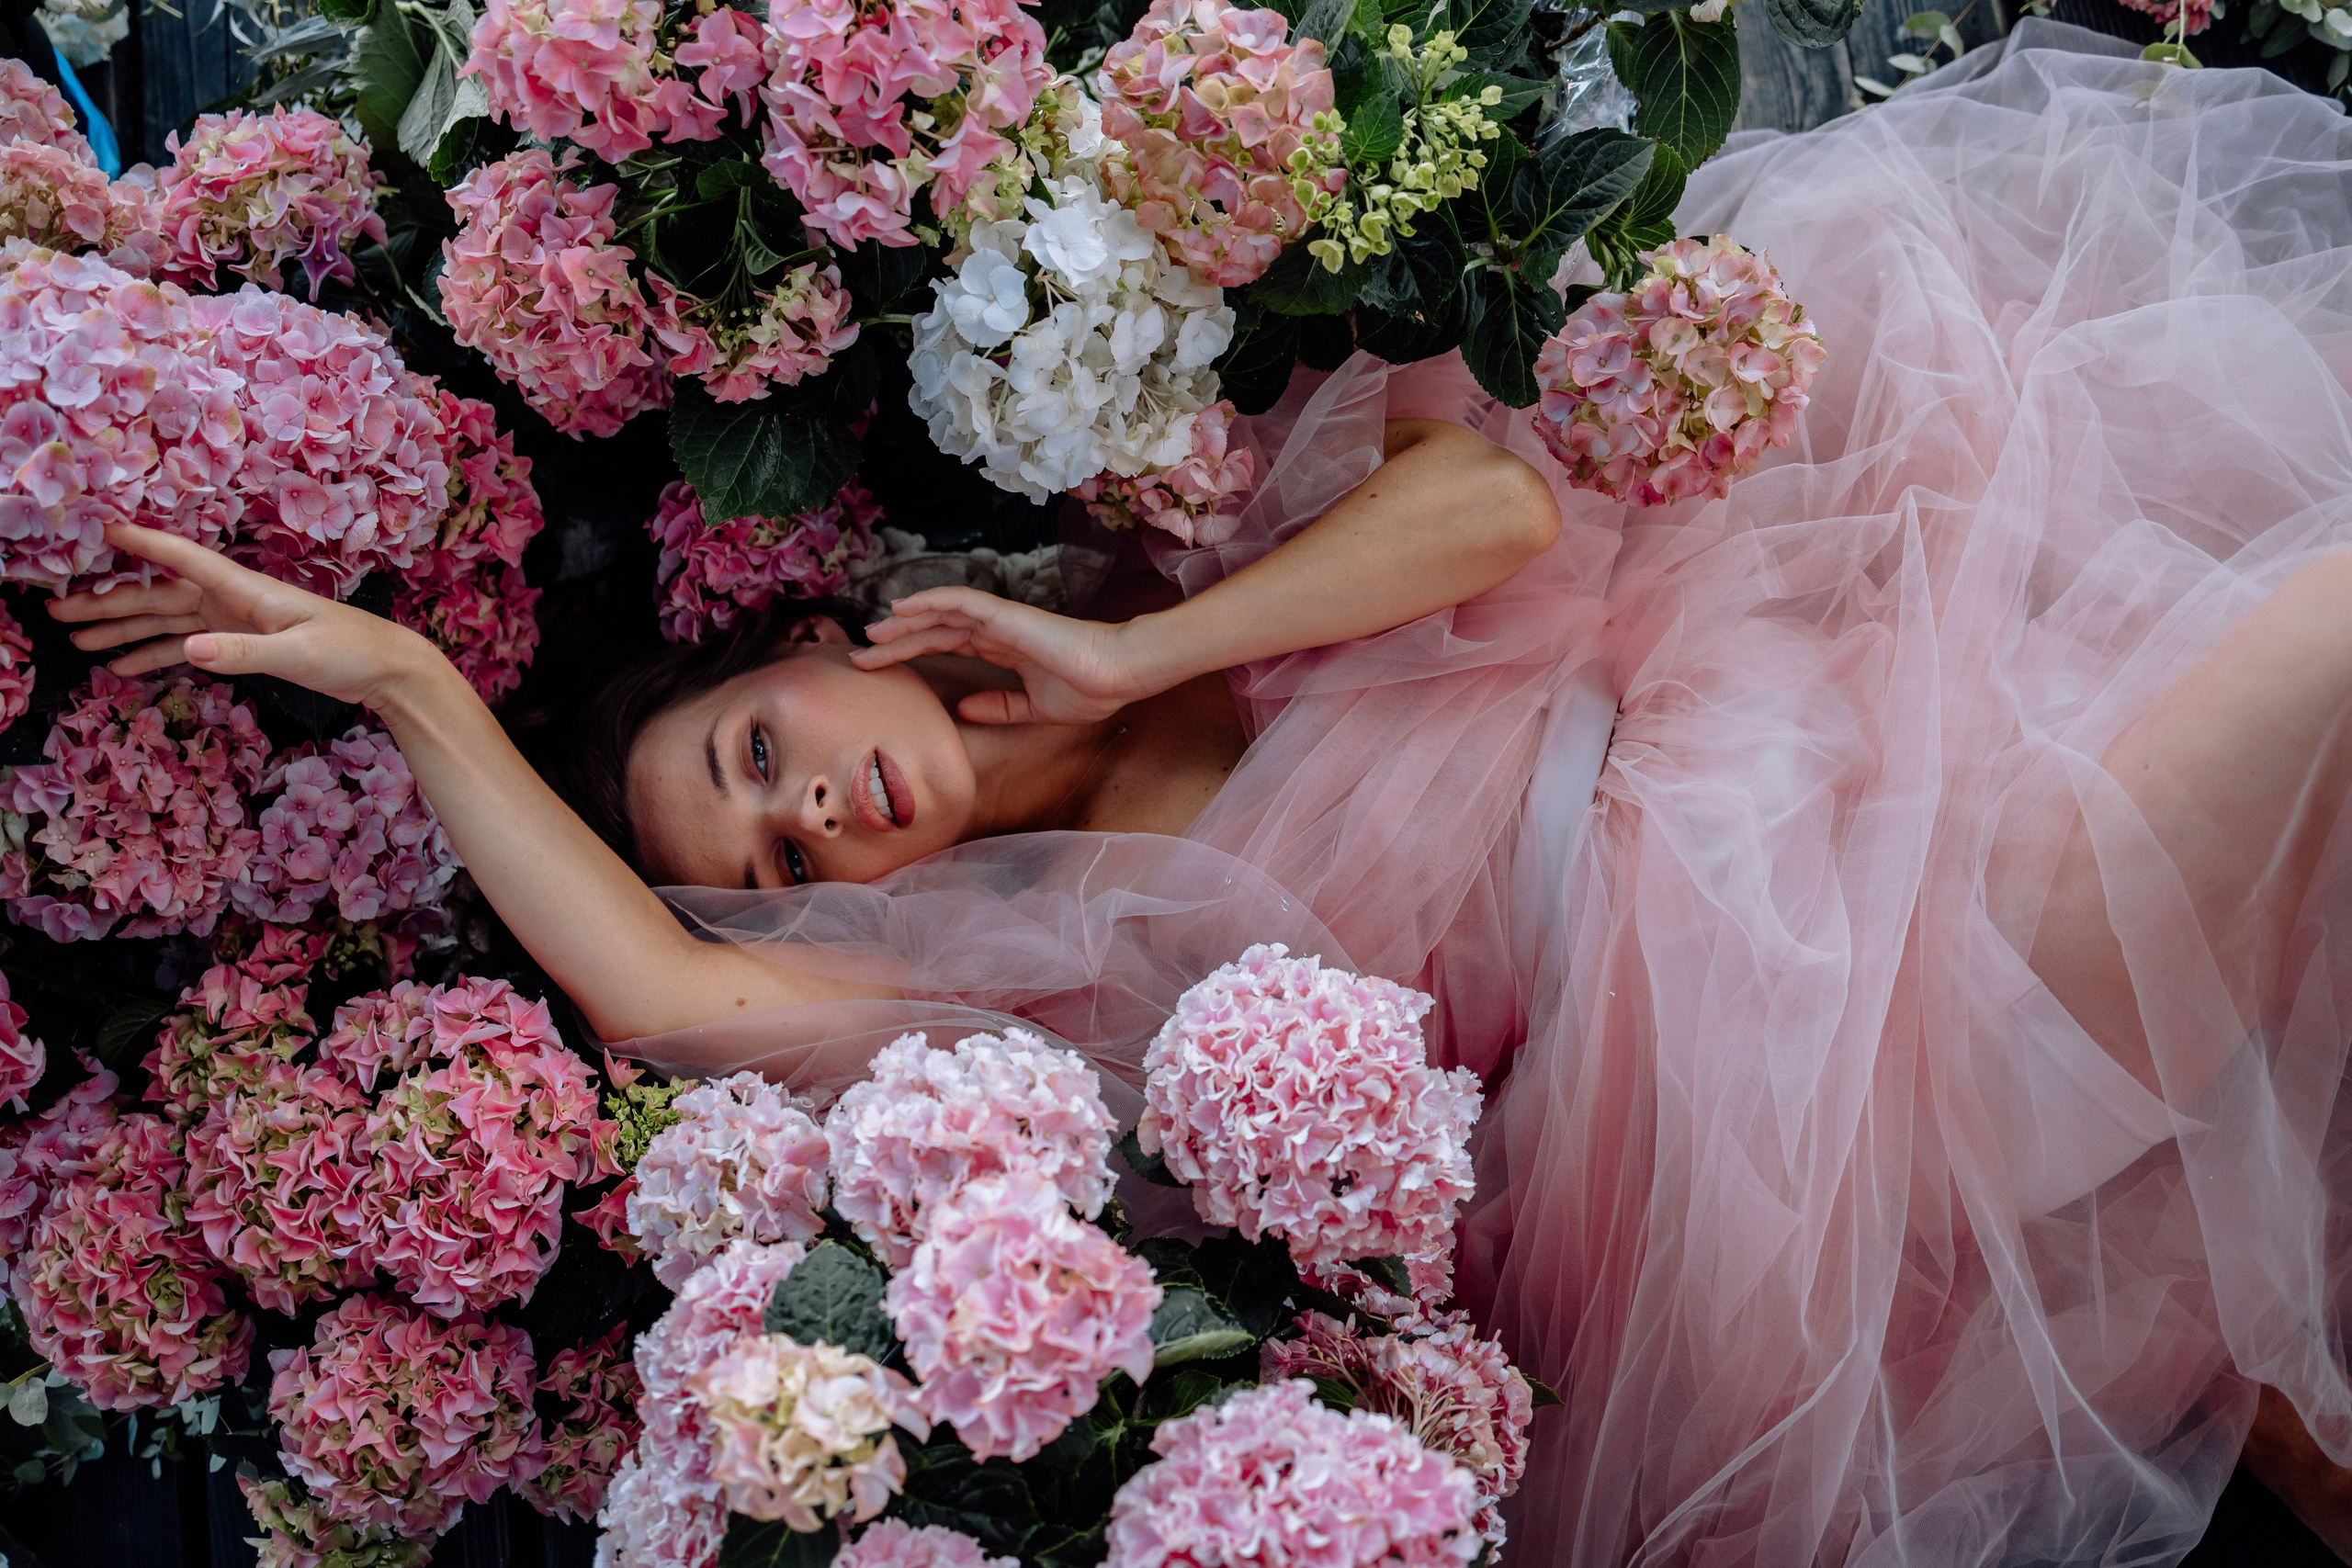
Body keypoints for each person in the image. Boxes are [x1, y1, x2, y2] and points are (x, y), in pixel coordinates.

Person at [45, 17, 2352, 1565]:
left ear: (814, 637)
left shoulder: (1173, 515)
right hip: (1830, 1057)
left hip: (1883, 695)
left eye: (758, 755)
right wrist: (406, 683)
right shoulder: (1034, 976)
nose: (813, 822)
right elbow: (659, 992)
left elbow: (1499, 521)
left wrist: (1145, 638)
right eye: (771, 860)